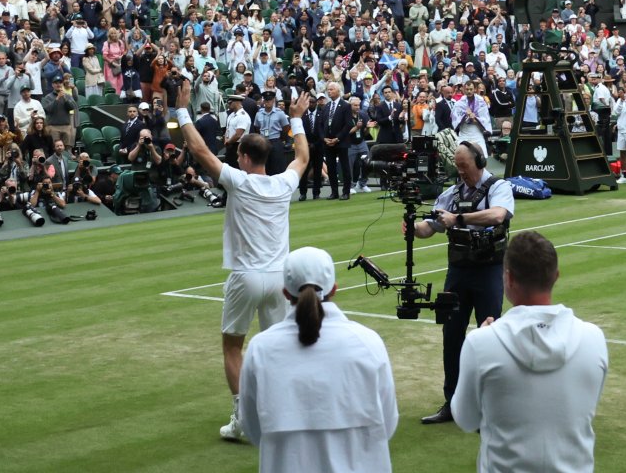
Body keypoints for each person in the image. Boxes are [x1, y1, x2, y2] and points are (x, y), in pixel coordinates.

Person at [172, 80, 310, 442]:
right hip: (280, 279)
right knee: (278, 347)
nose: (235, 160)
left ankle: (243, 419)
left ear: (246, 158)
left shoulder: (238, 181)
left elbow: (200, 151)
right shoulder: (284, 184)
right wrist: (296, 120)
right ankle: (280, 412)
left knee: (233, 346)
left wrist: (181, 109)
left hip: (246, 277)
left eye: (238, 157)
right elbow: (303, 158)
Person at [452, 231, 608, 473]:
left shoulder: (480, 343)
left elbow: (465, 419)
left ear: (509, 278)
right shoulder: (594, 337)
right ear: (555, 276)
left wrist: (481, 341)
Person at [239, 246, 398, 473]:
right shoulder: (368, 342)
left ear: (285, 293)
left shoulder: (261, 348)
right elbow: (388, 422)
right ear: (334, 288)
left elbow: (253, 429)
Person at [407, 141, 514, 424]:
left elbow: (499, 214)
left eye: (465, 167)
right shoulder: (450, 194)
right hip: (458, 271)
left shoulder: (498, 188)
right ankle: (452, 402)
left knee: (490, 335)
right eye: (458, 166)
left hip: (489, 270)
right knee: (451, 335)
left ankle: (491, 403)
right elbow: (429, 228)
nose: (461, 172)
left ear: (480, 163)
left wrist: (459, 218)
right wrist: (412, 226)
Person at [321, 82, 353, 200]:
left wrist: (337, 138)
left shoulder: (345, 106)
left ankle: (346, 192)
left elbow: (348, 124)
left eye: (331, 89)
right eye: (328, 90)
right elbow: (321, 124)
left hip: (341, 141)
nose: (329, 92)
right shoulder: (326, 106)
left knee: (344, 167)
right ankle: (334, 192)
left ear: (338, 91)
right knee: (331, 168)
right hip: (328, 142)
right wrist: (324, 138)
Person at [451, 80, 492, 155]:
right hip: (464, 133)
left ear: (475, 89)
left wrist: (474, 118)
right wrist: (465, 115)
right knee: (461, 157)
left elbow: (485, 119)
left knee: (481, 156)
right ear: (464, 89)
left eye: (471, 89)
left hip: (477, 132)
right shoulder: (459, 103)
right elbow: (455, 120)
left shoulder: (481, 103)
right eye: (467, 89)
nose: (469, 91)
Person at [254, 91, 289, 175]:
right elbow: (257, 127)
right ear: (263, 101)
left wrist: (281, 138)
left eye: (270, 100)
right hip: (263, 141)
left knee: (277, 166)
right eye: (266, 100)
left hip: (275, 140)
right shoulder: (259, 114)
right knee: (264, 165)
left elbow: (286, 127)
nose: (268, 102)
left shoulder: (280, 113)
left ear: (273, 100)